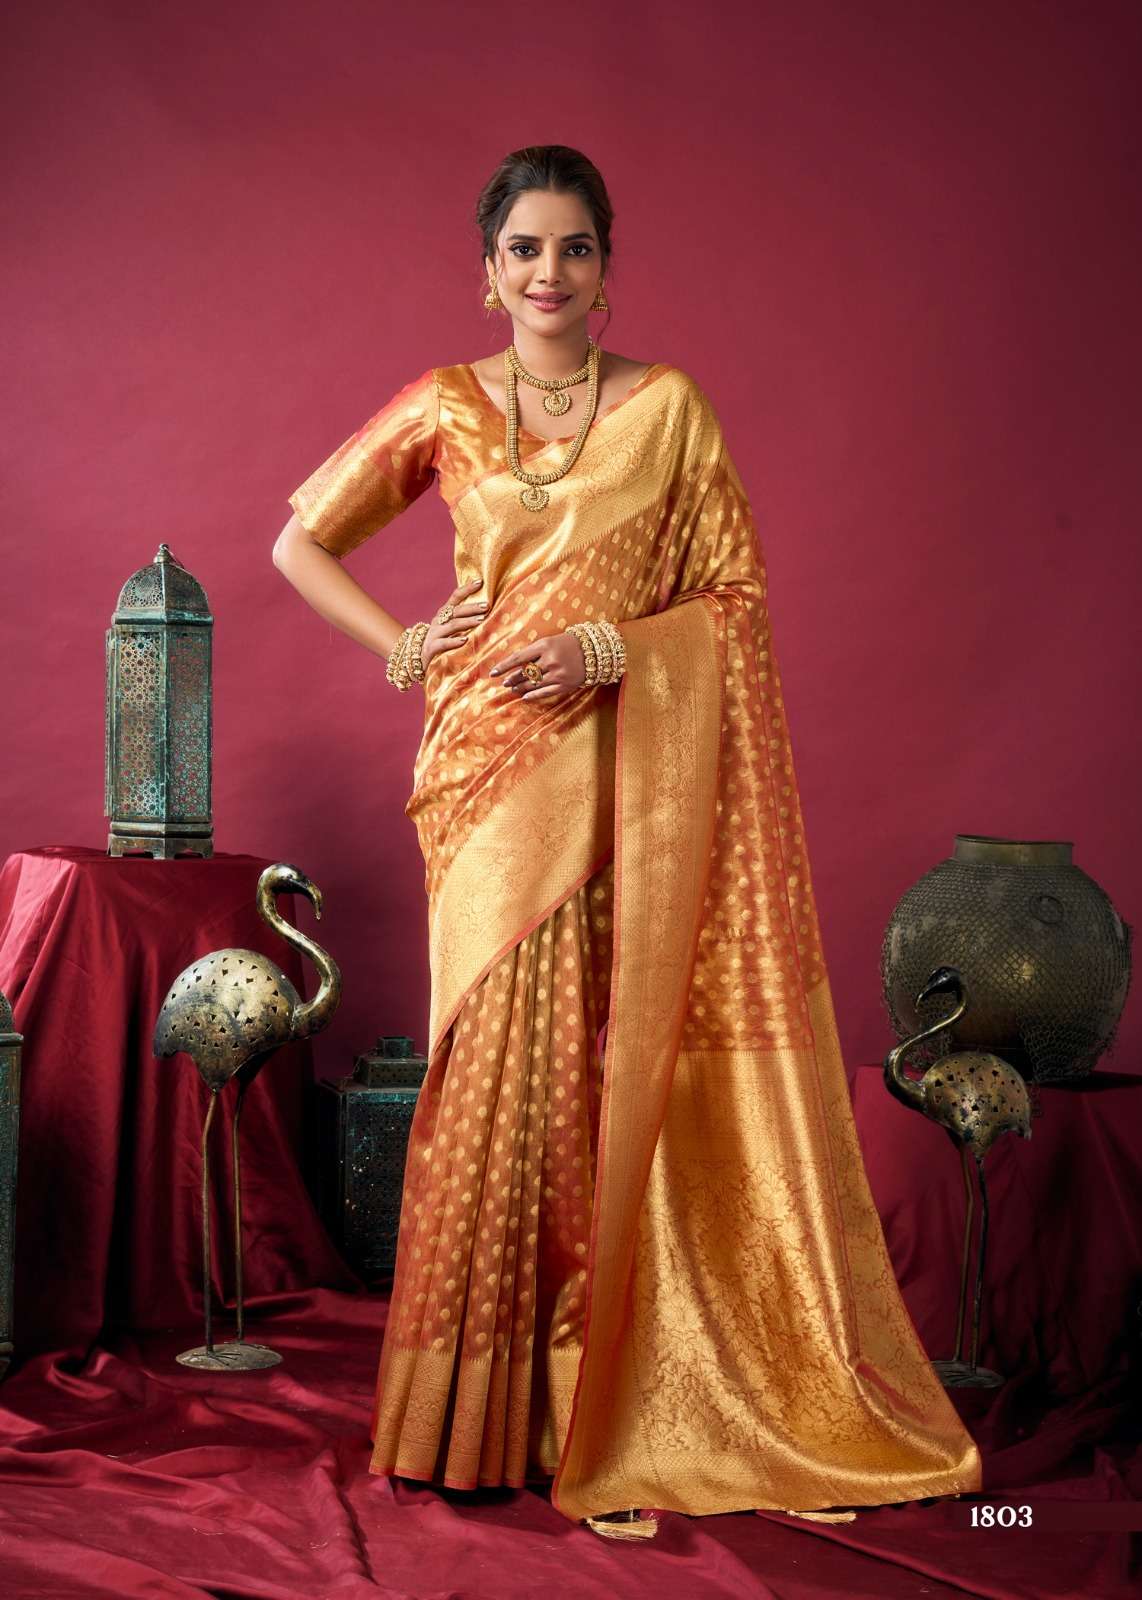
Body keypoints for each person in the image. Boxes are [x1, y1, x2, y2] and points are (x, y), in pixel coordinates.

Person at [273, 144, 982, 1540]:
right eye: (523, 249)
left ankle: (589, 1404)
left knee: (594, 1077)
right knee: (493, 1077)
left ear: (606, 267)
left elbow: (734, 599)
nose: (548, 272)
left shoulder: (667, 412)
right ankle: (468, 1419)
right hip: (481, 776)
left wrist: (611, 650)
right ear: (486, 273)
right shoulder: (444, 404)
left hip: (620, 784)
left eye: (575, 247)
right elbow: (300, 542)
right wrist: (408, 646)